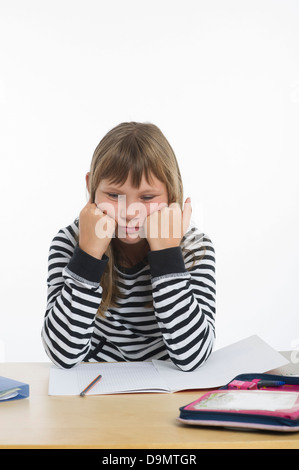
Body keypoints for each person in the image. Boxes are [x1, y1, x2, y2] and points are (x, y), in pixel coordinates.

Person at [41, 122, 216, 371]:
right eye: (114, 195)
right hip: (94, 389)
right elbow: (62, 355)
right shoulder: (71, 242)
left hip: (168, 387)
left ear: (171, 194)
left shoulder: (194, 248)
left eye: (147, 197)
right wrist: (88, 256)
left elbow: (193, 358)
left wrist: (167, 255)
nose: (128, 213)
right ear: (91, 187)